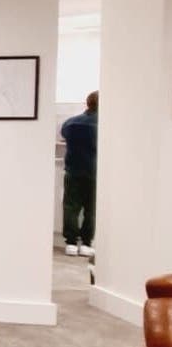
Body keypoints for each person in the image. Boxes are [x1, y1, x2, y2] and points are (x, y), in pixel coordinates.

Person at [61, 91, 98, 257]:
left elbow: (64, 134)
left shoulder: (70, 123)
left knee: (71, 207)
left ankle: (70, 243)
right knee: (91, 209)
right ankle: (86, 243)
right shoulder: (104, 124)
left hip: (73, 171)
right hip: (94, 172)